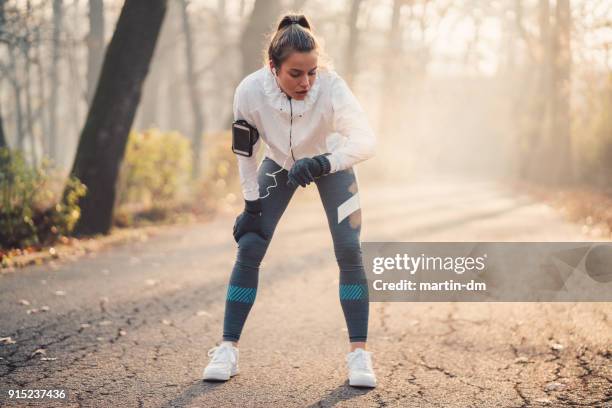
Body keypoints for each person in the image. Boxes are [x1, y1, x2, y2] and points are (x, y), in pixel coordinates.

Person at [203, 13, 377, 388]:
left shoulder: (331, 87)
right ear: (272, 67)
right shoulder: (249, 91)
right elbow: (245, 153)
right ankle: (227, 349)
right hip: (279, 163)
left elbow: (365, 141)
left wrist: (323, 162)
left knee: (349, 250)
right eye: (296, 73)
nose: (306, 82)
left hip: (332, 163)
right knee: (250, 245)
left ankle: (359, 355)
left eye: (312, 71)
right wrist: (251, 203)